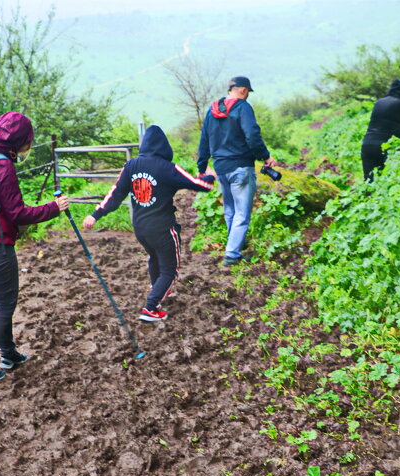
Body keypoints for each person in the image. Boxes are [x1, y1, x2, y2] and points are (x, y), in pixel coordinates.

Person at [0, 112, 69, 383]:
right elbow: (18, 214)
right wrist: (53, 208)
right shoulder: (2, 166)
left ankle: (9, 353)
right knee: (4, 304)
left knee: (1, 303)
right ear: (19, 140)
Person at [83, 124, 214, 322]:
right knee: (171, 269)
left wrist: (95, 214)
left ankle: (158, 293)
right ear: (164, 146)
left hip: (141, 228)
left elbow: (116, 194)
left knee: (154, 257)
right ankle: (151, 308)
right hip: (163, 228)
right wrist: (210, 176)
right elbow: (200, 185)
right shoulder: (168, 168)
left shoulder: (131, 166)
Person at [197, 75, 277, 266]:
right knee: (242, 212)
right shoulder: (243, 107)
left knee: (230, 209)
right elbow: (252, 135)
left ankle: (236, 243)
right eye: (248, 91)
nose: (247, 94)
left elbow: (204, 140)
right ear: (242, 90)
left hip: (221, 168)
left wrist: (202, 167)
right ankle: (232, 255)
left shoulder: (212, 109)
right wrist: (266, 157)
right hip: (241, 166)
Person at [361, 80, 400, 181]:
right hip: (385, 146)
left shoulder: (379, 102)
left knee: (368, 181)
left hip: (367, 144)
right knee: (386, 180)